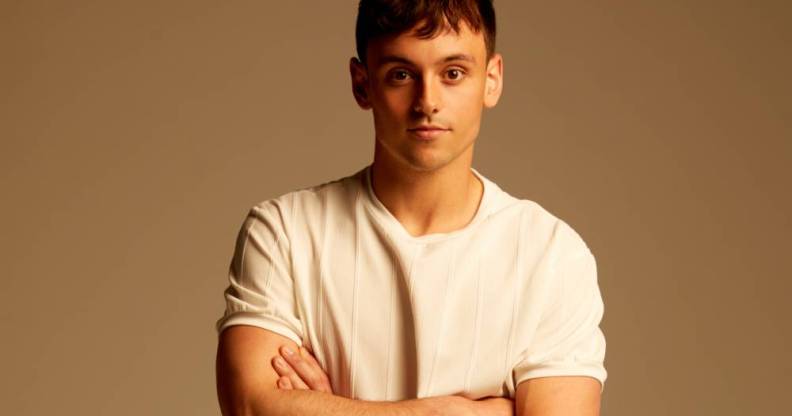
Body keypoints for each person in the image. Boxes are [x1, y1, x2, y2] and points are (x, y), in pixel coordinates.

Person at [214, 1, 607, 415]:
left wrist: (330, 408)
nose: (427, 101)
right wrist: (461, 412)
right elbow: (251, 406)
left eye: (453, 73)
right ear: (362, 83)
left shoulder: (552, 255)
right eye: (401, 74)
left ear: (492, 80)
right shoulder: (284, 233)